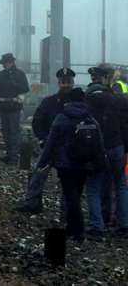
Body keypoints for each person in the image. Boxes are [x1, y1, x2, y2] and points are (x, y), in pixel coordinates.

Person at [36, 88, 104, 243]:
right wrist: (101, 164)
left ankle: (77, 231)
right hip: (84, 164)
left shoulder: (61, 118)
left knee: (70, 197)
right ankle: (72, 229)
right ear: (83, 100)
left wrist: (42, 162)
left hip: (65, 164)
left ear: (69, 101)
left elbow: (50, 142)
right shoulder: (90, 119)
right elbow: (98, 144)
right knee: (76, 195)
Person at [16, 67, 77, 214]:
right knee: (37, 175)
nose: (66, 85)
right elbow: (37, 122)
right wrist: (43, 139)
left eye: (68, 82)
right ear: (58, 83)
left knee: (67, 181)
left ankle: (66, 209)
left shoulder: (79, 103)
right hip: (49, 146)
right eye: (63, 82)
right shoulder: (48, 102)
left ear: (73, 83)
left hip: (69, 148)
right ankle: (33, 204)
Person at [84, 64, 128, 236]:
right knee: (120, 185)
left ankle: (97, 225)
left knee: (94, 186)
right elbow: (125, 126)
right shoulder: (118, 100)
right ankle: (123, 224)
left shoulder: (86, 100)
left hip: (96, 149)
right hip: (117, 147)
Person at [0, 53, 29, 165]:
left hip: (14, 106)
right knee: (6, 132)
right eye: (5, 63)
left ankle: (14, 157)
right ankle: (9, 154)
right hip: (3, 106)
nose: (6, 65)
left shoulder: (20, 74)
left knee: (14, 132)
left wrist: (13, 84)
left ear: (12, 62)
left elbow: (25, 88)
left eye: (8, 62)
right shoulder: (0, 74)